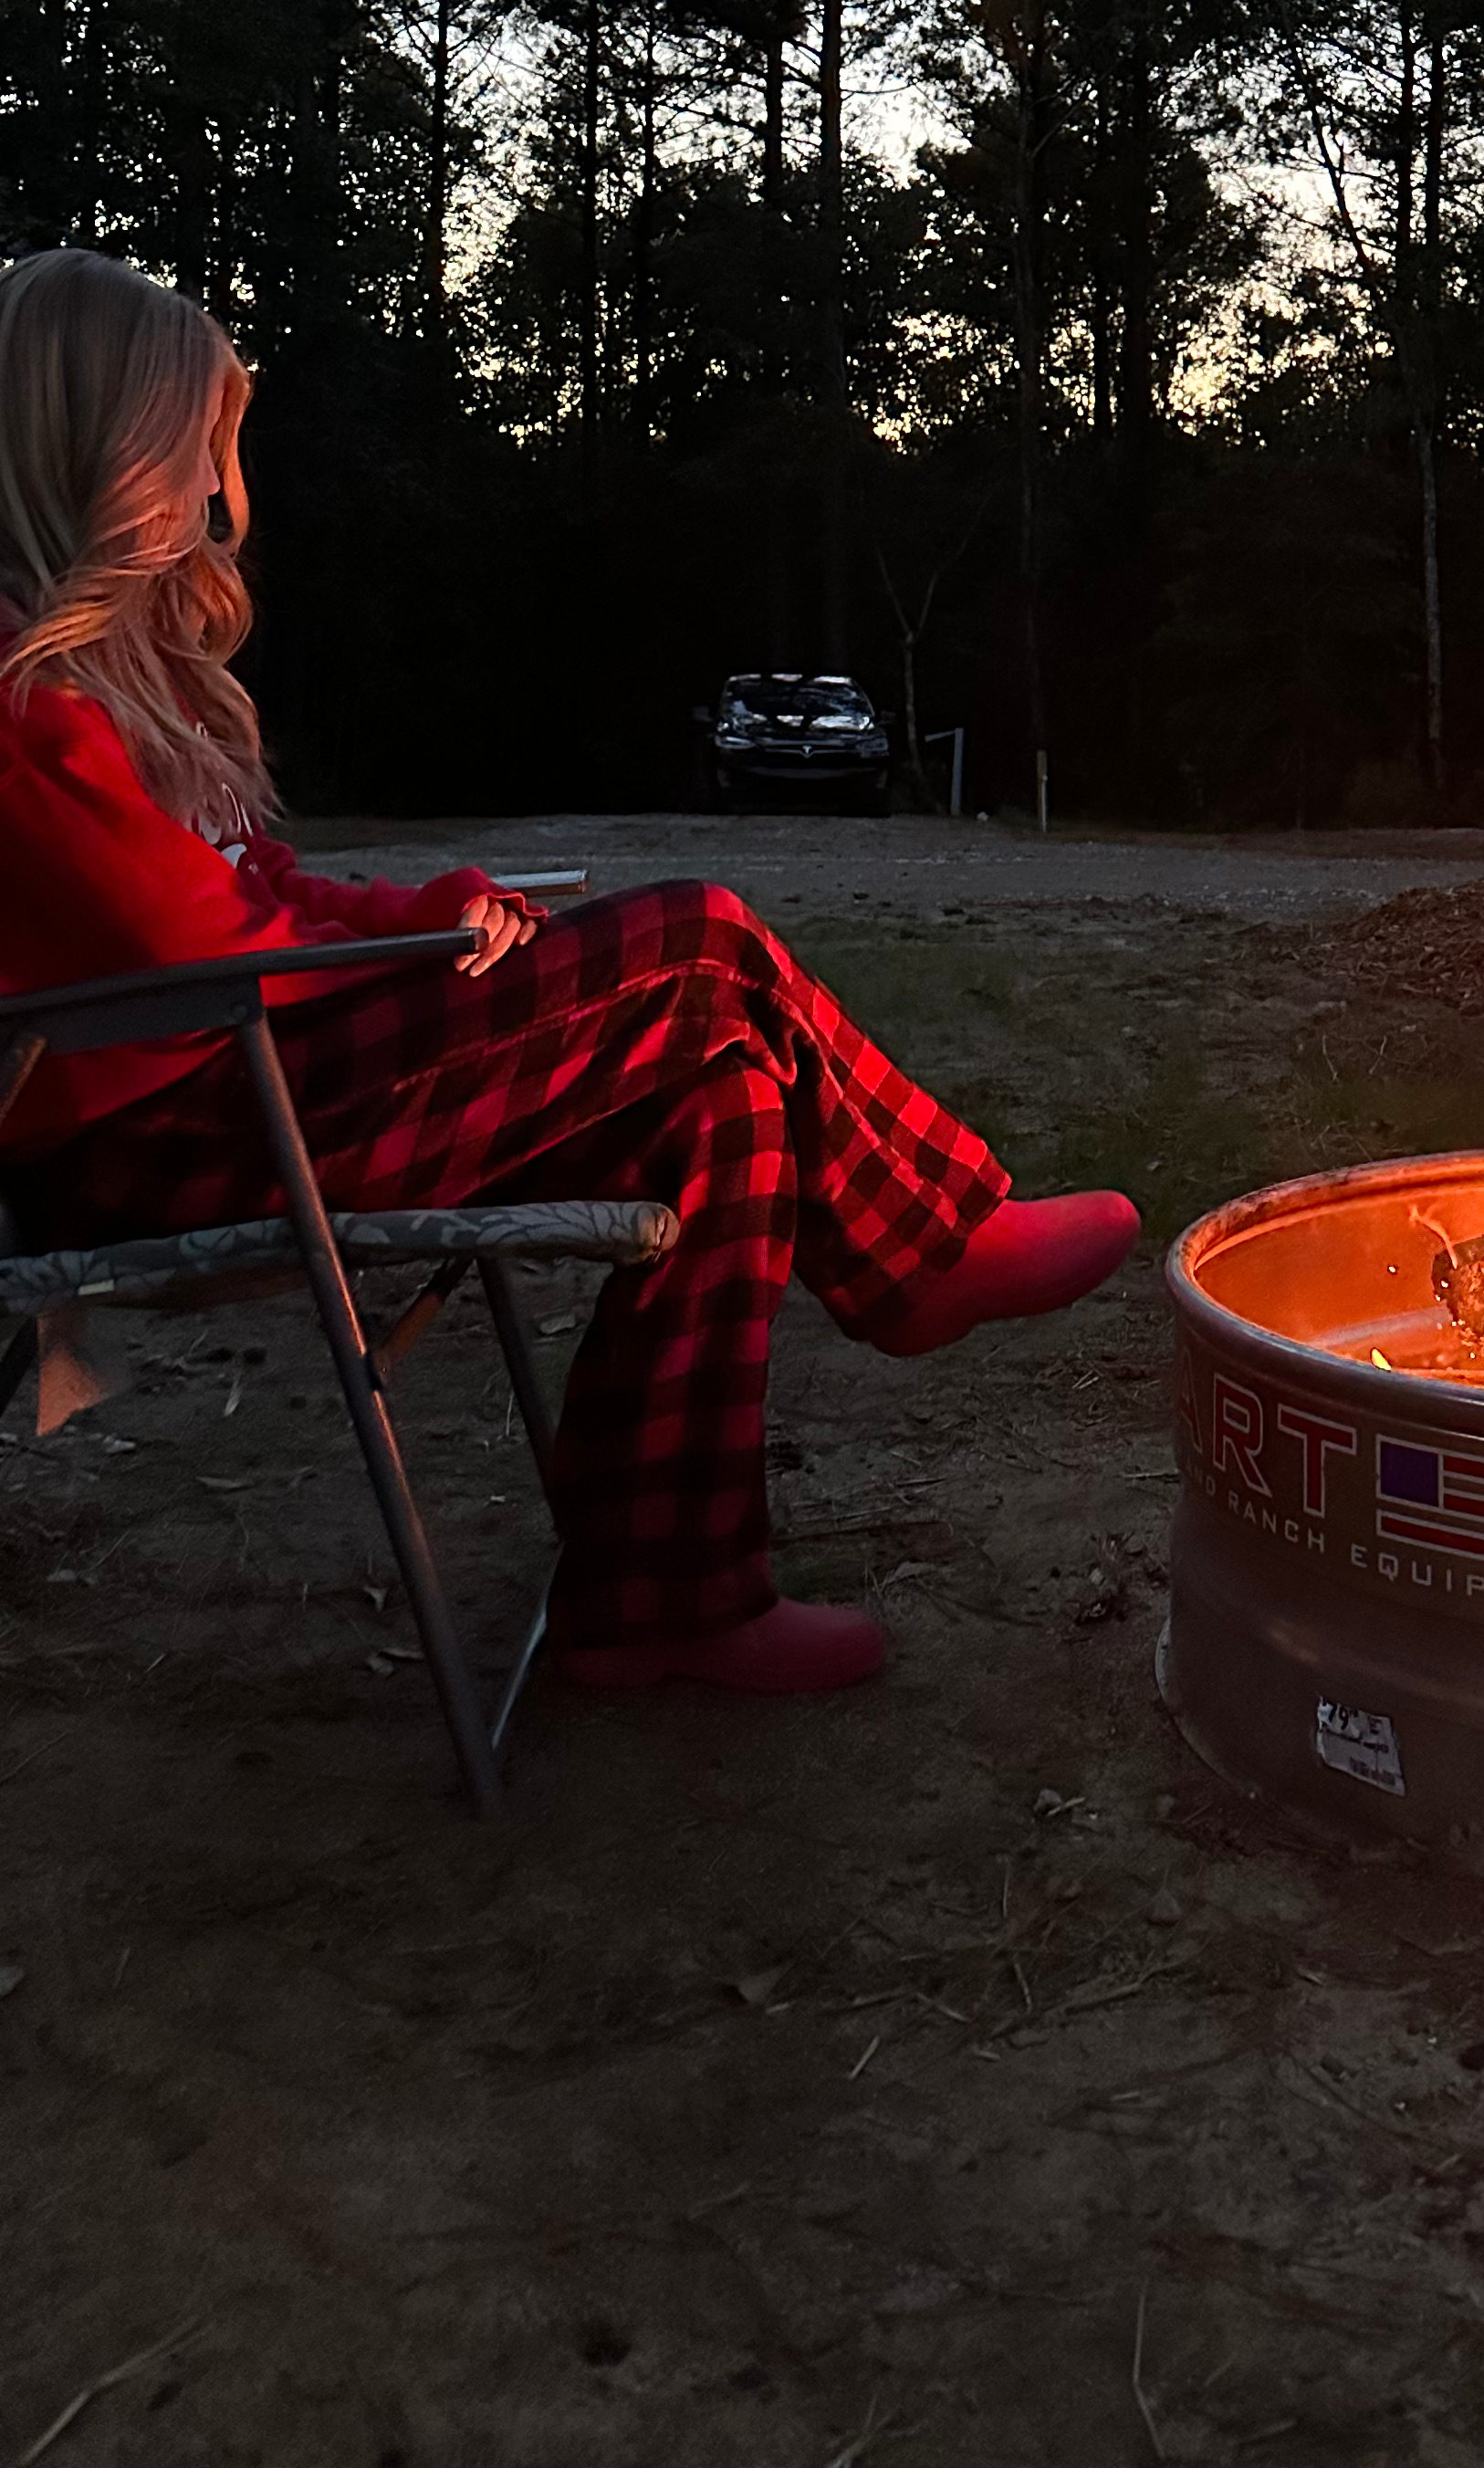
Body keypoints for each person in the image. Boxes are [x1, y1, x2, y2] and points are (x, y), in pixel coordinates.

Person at [0, 247, 1138, 1696]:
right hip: (173, 1144)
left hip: (255, 1094)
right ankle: (926, 1249)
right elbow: (189, 954)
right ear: (88, 446)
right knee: (706, 942)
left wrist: (439, 911)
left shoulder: (117, 676)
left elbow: (256, 891)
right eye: (181, 451)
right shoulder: (22, 701)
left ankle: (668, 1598)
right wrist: (418, 983)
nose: (207, 493)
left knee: (724, 1096)